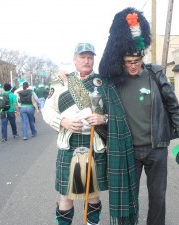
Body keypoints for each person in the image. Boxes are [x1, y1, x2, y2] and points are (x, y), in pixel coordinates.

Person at [98, 7, 179, 225]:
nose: (132, 66)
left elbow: (174, 107)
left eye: (136, 62)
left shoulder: (155, 74)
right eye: (128, 62)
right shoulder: (114, 80)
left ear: (142, 58)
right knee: (128, 196)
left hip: (156, 147)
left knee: (158, 196)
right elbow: (92, 81)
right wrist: (66, 77)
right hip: (128, 149)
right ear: (121, 61)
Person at [42, 43, 138, 225]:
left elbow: (118, 111)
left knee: (93, 194)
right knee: (66, 196)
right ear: (74, 59)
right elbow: (47, 111)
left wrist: (104, 118)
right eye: (82, 57)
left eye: (90, 57)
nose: (87, 61)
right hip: (68, 144)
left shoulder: (105, 82)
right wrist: (63, 122)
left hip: (96, 143)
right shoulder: (61, 82)